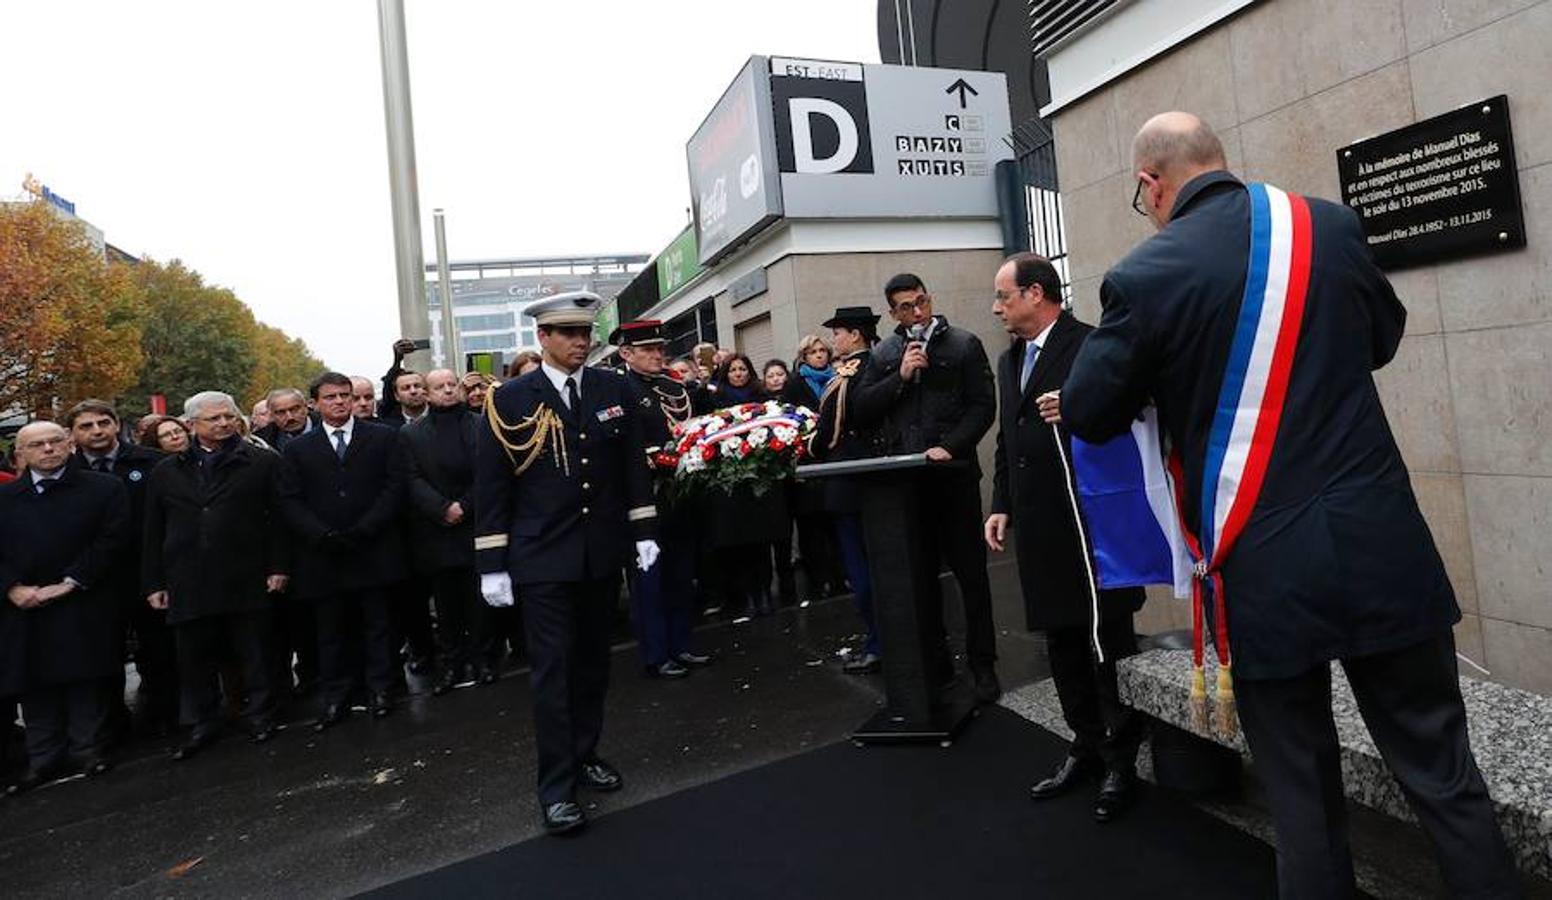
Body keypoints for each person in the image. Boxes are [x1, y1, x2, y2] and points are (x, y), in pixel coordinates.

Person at [1054, 111, 1518, 898]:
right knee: (1443, 775)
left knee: (1301, 797)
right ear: (1219, 161)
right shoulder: (1327, 228)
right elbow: (1381, 339)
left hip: (1264, 566)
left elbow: (1091, 410)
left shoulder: (1146, 275)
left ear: (1151, 184)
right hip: (1382, 545)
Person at [475, 290, 660, 836]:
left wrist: (644, 529)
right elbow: (492, 484)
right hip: (541, 557)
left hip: (600, 552)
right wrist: (492, 562)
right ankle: (555, 787)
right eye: (568, 334)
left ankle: (585, 753)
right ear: (544, 337)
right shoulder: (510, 398)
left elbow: (632, 466)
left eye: (585, 333)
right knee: (552, 673)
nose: (581, 342)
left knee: (593, 666)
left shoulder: (613, 387)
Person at [983, 253, 1146, 822]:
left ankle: (1123, 757)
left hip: (1091, 527)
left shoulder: (1091, 345)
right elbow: (1009, 436)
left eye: (1004, 296)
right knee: (1061, 642)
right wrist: (1001, 504)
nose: (998, 307)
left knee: (1104, 642)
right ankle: (1086, 743)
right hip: (1040, 526)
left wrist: (1076, 408)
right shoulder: (1009, 361)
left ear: (1035, 293)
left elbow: (1132, 411)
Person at [853, 273, 1002, 704]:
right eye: (906, 307)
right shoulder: (883, 353)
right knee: (919, 579)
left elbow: (982, 407)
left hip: (953, 477)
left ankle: (983, 664)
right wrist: (899, 376)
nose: (917, 313)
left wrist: (950, 446)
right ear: (892, 313)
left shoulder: (963, 344)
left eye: (921, 302)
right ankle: (936, 663)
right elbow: (862, 409)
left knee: (971, 577)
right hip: (907, 484)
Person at [142, 391, 290, 760]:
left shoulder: (260, 462)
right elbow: (152, 530)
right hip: (187, 578)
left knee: (253, 651)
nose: (224, 423)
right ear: (191, 424)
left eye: (229, 416)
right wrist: (155, 582)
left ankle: (261, 714)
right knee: (194, 658)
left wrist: (278, 566)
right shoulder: (165, 472)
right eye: (214, 419)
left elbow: (279, 521)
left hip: (246, 571)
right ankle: (202, 723)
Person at [0, 422, 128, 795]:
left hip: (82, 598)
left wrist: (71, 581)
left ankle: (89, 749)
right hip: (24, 605)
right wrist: (11, 588)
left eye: (55, 441)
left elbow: (112, 540)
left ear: (70, 445)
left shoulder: (103, 488)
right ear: (21, 453)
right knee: (34, 683)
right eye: (37, 445)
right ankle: (43, 759)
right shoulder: (6, 499)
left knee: (85, 678)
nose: (48, 450)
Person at [278, 372, 406, 729]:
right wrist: (321, 534)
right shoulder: (296, 448)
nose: (340, 402)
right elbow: (290, 499)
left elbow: (394, 486)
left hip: (373, 547)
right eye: (331, 397)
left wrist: (367, 528)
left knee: (378, 624)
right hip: (324, 553)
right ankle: (337, 695)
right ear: (315, 403)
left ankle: (381, 689)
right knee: (331, 630)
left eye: (345, 396)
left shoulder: (382, 437)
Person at [66, 400, 178, 738]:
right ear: (72, 433)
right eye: (86, 426)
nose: (97, 431)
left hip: (150, 575)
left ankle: (170, 719)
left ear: (117, 425)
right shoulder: (66, 474)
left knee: (160, 652)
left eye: (103, 422)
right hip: (96, 581)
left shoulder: (154, 463)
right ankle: (113, 728)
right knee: (103, 658)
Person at [612, 320, 711, 679]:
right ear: (626, 354)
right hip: (643, 497)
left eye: (659, 349)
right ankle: (656, 653)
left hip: (679, 492)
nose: (657, 355)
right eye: (647, 350)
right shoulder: (616, 388)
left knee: (681, 576)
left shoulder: (672, 385)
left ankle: (681, 643)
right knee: (649, 581)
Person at [400, 369, 497, 694]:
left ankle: (483, 660)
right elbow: (411, 478)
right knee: (445, 604)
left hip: (475, 525)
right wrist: (442, 508)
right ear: (426, 394)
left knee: (477, 600)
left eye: (451, 385)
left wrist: (464, 506)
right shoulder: (411, 434)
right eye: (438, 387)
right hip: (436, 530)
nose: (446, 391)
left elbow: (489, 473)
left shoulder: (481, 424)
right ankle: (452, 664)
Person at [805, 307, 886, 674]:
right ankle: (880, 638)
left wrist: (804, 447)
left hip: (851, 482)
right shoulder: (866, 366)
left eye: (837, 332)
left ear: (855, 335)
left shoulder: (855, 371)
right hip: (863, 484)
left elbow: (830, 433)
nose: (832, 339)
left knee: (862, 570)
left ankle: (878, 642)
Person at [253, 388, 320, 696]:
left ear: (306, 406)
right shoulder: (260, 445)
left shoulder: (327, 430)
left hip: (325, 533)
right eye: (280, 412)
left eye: (295, 409)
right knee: (294, 618)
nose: (289, 417)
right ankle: (306, 675)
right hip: (283, 541)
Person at [379, 340, 430, 429]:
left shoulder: (442, 416)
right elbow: (387, 395)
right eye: (406, 388)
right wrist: (397, 362)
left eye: (417, 386)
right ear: (396, 396)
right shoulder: (389, 424)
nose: (413, 391)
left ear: (426, 390)